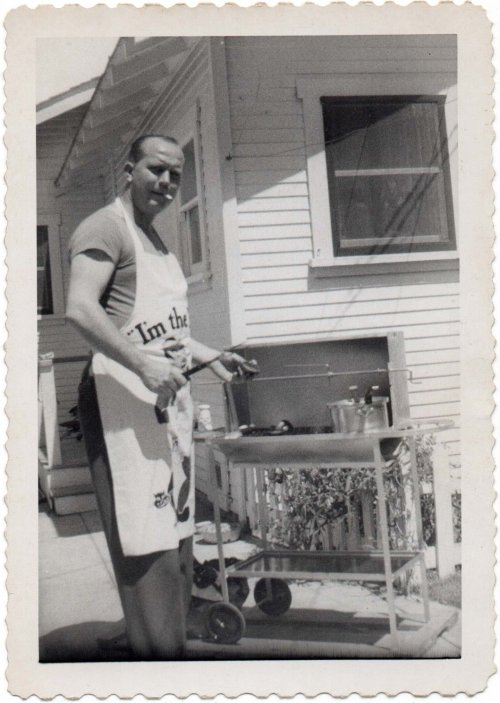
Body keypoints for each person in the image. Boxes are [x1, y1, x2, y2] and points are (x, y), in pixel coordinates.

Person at [66, 134, 248, 660]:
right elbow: (80, 307)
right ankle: (154, 661)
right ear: (129, 170)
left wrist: (212, 355)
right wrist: (144, 365)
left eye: (175, 174)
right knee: (145, 542)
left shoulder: (157, 240)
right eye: (155, 170)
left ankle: (166, 648)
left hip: (162, 405)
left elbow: (162, 330)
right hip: (119, 401)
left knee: (174, 539)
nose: (166, 183)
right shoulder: (106, 228)